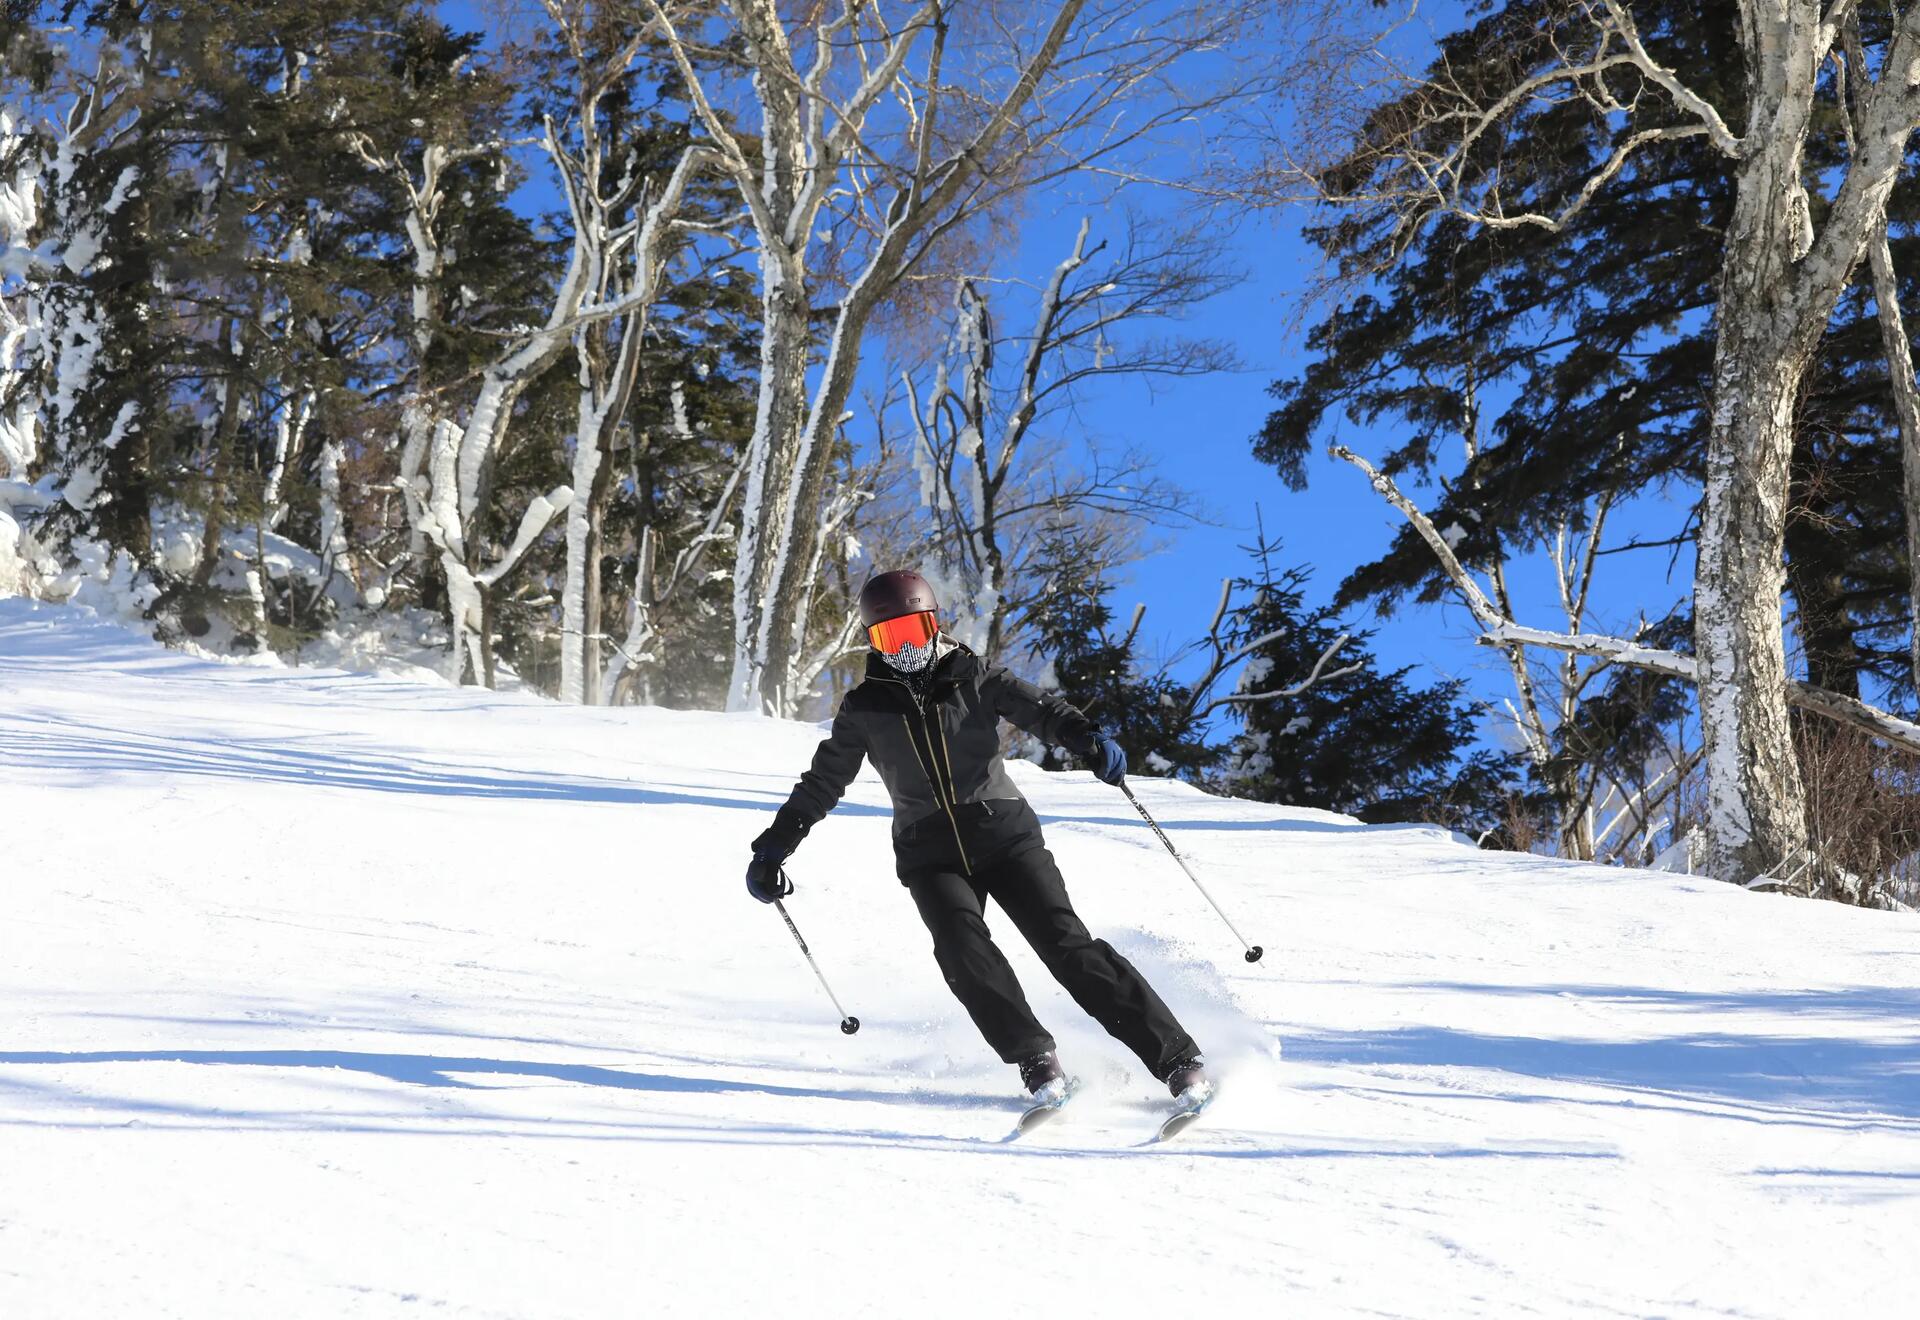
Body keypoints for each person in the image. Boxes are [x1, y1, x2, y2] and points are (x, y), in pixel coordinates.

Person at [746, 568, 1209, 1108]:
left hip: (1004, 834)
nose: (905, 649)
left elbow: (1042, 710)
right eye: (888, 638)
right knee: (962, 952)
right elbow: (823, 781)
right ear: (873, 641)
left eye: (912, 633)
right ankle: (1037, 1062)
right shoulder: (865, 707)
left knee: (1067, 948)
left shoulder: (975, 677)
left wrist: (1086, 736)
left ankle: (1180, 1063)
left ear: (933, 623)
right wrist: (774, 845)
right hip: (928, 852)